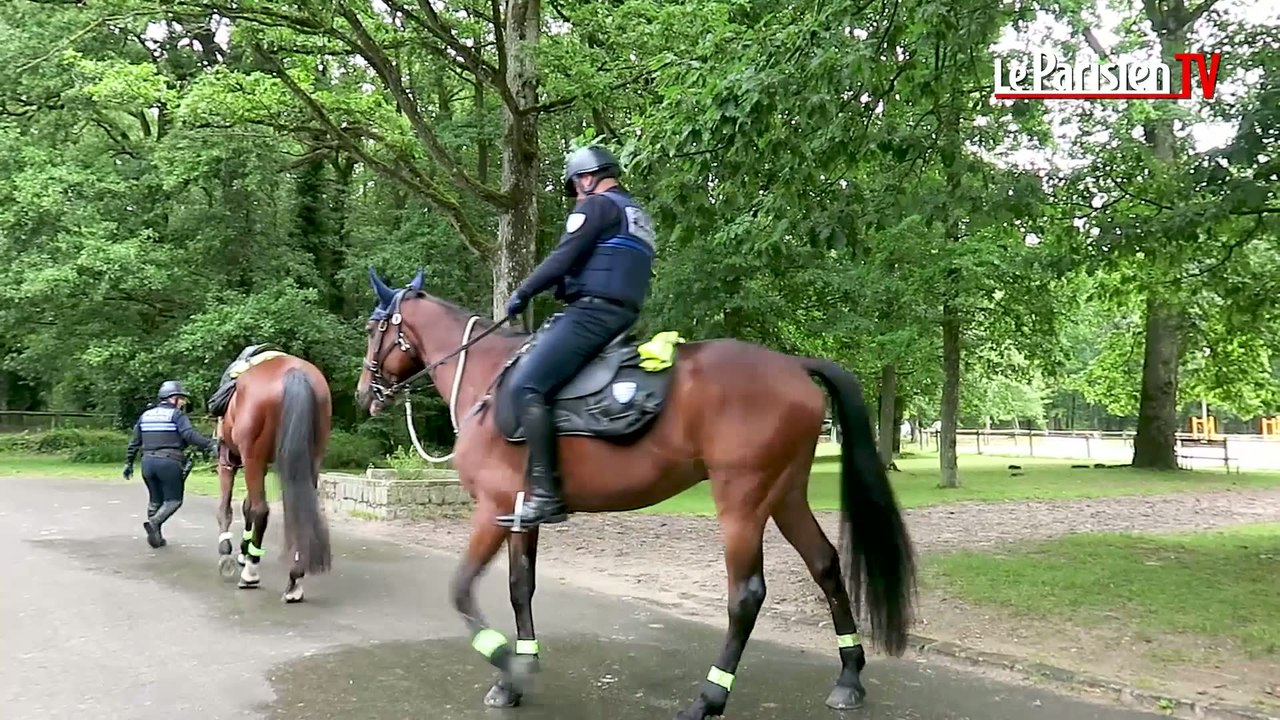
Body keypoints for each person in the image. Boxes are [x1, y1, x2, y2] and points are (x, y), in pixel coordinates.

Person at [495, 145, 657, 530]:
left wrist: (523, 293)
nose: (577, 193)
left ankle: (547, 496)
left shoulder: (597, 207)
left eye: (577, 185)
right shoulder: (636, 214)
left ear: (587, 177)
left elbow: (563, 257)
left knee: (526, 386)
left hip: (593, 313)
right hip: (624, 312)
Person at [123, 380, 217, 548]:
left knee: (155, 500)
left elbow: (134, 442)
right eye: (181, 398)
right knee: (174, 500)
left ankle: (156, 538)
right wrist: (210, 444)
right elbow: (189, 435)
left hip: (147, 463)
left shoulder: (146, 415)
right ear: (172, 398)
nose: (183, 402)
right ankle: (154, 523)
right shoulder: (176, 415)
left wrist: (128, 463)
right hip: (169, 462)